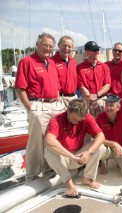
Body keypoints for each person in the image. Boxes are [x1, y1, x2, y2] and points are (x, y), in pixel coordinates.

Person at [15, 32, 64, 181]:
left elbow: (56, 86)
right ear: (37, 45)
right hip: (37, 104)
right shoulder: (27, 62)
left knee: (52, 140)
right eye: (45, 45)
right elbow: (19, 88)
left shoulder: (52, 64)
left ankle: (50, 170)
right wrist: (30, 108)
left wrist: (58, 99)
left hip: (54, 105)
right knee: (36, 141)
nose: (48, 48)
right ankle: (32, 174)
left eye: (51, 46)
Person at [45, 99, 105, 197]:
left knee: (99, 146)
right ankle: (69, 183)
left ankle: (88, 178)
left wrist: (89, 152)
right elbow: (49, 140)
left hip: (78, 157)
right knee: (48, 150)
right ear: (68, 111)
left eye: (79, 120)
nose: (77, 122)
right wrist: (70, 156)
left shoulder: (86, 118)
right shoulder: (56, 120)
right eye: (74, 119)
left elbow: (101, 135)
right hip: (63, 158)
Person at [96, 94, 122, 178]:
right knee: (98, 148)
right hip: (107, 148)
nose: (108, 107)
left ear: (118, 107)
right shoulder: (100, 117)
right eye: (106, 104)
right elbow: (97, 139)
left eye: (111, 105)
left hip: (120, 150)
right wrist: (114, 144)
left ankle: (119, 162)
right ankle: (103, 162)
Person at [77, 41, 111, 117]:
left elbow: (107, 85)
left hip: (101, 99)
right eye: (94, 50)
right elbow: (81, 85)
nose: (97, 52)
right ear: (87, 52)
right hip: (86, 100)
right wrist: (90, 97)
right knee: (86, 124)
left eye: (97, 50)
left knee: (101, 124)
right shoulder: (80, 67)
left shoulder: (104, 66)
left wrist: (97, 96)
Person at [51, 36, 78, 107]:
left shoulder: (73, 61)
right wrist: (57, 96)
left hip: (74, 97)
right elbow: (51, 81)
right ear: (59, 45)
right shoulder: (51, 61)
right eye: (64, 45)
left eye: (69, 46)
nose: (66, 48)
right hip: (59, 98)